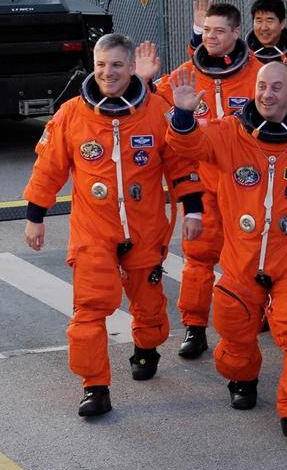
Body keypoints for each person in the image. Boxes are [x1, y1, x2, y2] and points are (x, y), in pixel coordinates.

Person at [166, 60, 287, 446]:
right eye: (261, 86)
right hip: (243, 260)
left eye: (276, 87)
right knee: (235, 327)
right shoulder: (229, 133)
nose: (267, 94)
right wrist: (183, 113)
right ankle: (243, 378)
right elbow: (188, 145)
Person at [22, 33, 203, 418]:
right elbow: (48, 168)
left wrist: (193, 210)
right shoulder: (71, 114)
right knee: (89, 309)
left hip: (145, 228)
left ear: (131, 68)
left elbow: (181, 165)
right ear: (93, 65)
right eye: (102, 65)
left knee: (149, 306)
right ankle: (95, 387)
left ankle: (147, 345)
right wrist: (36, 216)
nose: (108, 73)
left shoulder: (155, 110)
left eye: (117, 65)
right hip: (94, 231)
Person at [144, 1, 260, 361]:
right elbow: (150, 105)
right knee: (198, 257)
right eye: (207, 30)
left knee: (251, 260)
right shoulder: (185, 75)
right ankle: (194, 327)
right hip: (206, 184)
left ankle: (248, 321)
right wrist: (145, 79)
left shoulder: (258, 73)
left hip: (248, 186)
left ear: (237, 32)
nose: (211, 36)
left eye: (219, 31)